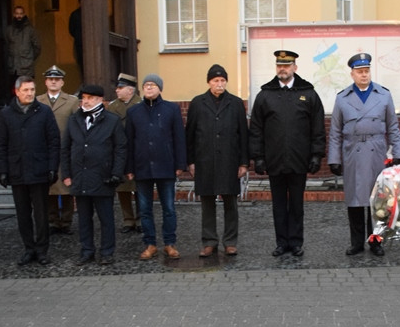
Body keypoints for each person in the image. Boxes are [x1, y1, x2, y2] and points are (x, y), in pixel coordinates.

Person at [249, 50, 326, 257]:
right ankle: (281, 243)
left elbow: (317, 127)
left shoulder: (308, 93)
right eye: (279, 65)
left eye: (287, 65)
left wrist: (316, 154)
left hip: (299, 159)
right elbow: (256, 129)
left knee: (297, 205)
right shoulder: (265, 95)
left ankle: (296, 242)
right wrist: (258, 157)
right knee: (279, 205)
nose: (282, 69)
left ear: (295, 67)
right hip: (274, 160)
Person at [327, 52, 400, 256]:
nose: (364, 75)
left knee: (377, 200)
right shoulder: (342, 98)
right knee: (354, 200)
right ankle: (356, 242)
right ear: (352, 74)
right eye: (360, 71)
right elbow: (335, 132)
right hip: (352, 152)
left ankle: (376, 241)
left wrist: (397, 153)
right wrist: (334, 159)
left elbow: (393, 126)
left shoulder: (384, 95)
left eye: (367, 71)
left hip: (376, 152)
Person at [185, 64, 249, 257]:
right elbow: (190, 135)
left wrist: (244, 162)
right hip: (204, 161)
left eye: (222, 81)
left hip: (230, 161)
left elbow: (243, 135)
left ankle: (230, 241)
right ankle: (209, 241)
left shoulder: (236, 103)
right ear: (209, 82)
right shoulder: (198, 103)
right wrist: (191, 161)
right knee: (207, 203)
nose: (219, 84)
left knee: (231, 202)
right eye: (215, 81)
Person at [0, 75, 60, 266]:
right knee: (23, 214)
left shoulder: (45, 112)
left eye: (32, 90)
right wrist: (3, 171)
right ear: (16, 91)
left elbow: (53, 141)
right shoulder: (6, 114)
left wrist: (52, 167)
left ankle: (42, 250)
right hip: (17, 170)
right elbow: (0, 144)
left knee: (41, 214)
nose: (30, 93)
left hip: (39, 170)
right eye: (26, 90)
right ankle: (28, 248)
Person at [61, 84, 127, 265]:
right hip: (80, 177)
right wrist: (66, 173)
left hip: (103, 177)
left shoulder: (111, 120)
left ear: (99, 100)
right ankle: (87, 250)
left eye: (90, 98)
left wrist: (116, 173)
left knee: (106, 218)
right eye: (84, 98)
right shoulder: (74, 119)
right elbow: (66, 148)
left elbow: (120, 149)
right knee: (83, 218)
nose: (86, 101)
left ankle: (107, 251)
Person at [125, 74, 186, 260]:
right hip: (142, 167)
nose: (149, 88)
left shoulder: (171, 109)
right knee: (144, 209)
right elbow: (129, 141)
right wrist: (129, 167)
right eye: (146, 85)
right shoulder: (134, 112)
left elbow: (179, 138)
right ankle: (150, 244)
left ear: (160, 88)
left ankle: (169, 243)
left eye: (153, 85)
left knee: (168, 207)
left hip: (166, 166)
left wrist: (180, 164)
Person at [38, 65, 79, 235]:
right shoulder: (38, 100)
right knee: (49, 189)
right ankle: (53, 221)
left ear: (62, 82)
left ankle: (66, 221)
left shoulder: (72, 101)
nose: (53, 82)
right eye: (50, 79)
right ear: (46, 82)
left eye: (57, 80)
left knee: (66, 187)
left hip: (65, 149)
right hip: (44, 149)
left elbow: (77, 125)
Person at [107, 73, 140, 233]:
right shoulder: (113, 107)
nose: (117, 91)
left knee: (139, 187)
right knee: (122, 188)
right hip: (119, 151)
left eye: (120, 88)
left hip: (136, 150)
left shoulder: (140, 103)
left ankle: (141, 218)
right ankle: (128, 219)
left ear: (130, 90)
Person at [4, 5, 40, 80]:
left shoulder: (30, 30)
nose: (19, 16)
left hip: (27, 69)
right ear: (14, 14)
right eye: (17, 13)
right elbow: (7, 46)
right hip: (13, 69)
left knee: (27, 89)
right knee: (15, 90)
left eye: (21, 13)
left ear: (24, 14)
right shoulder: (9, 30)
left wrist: (28, 59)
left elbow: (37, 47)